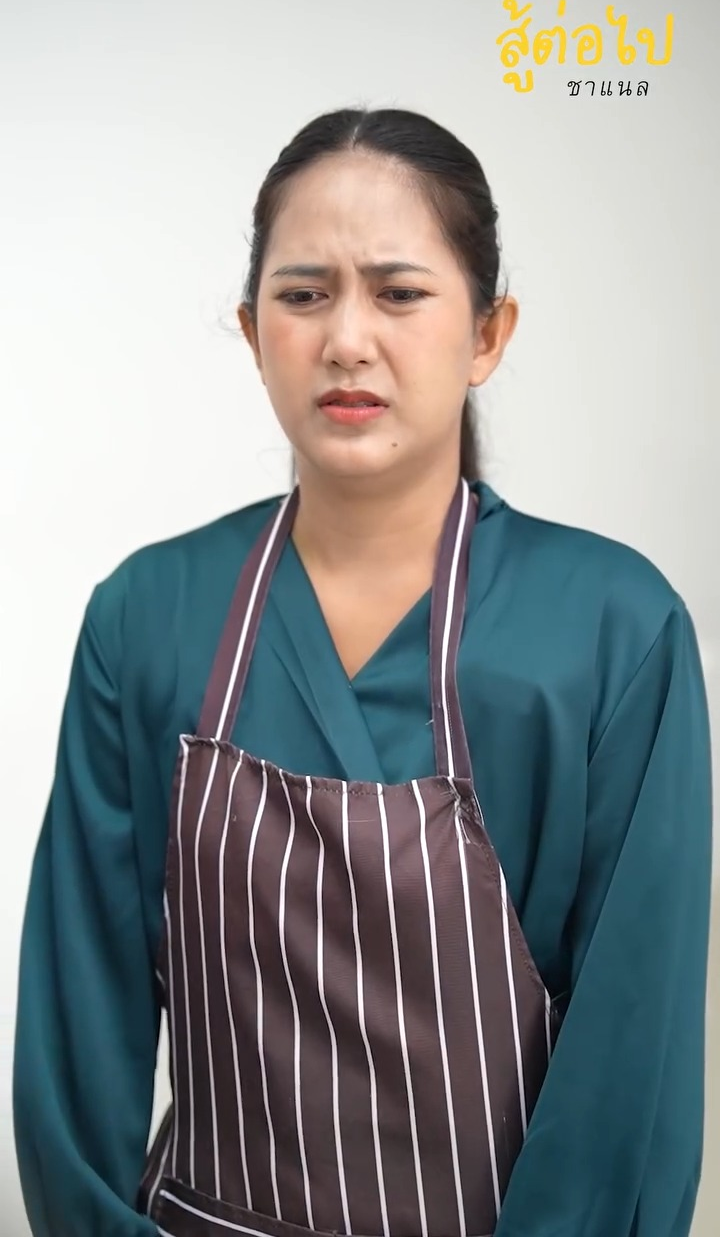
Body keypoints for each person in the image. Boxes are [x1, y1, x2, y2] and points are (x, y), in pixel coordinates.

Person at [13, 105, 713, 1237]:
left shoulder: (612, 633)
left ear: (487, 334)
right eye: (304, 295)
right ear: (253, 333)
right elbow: (77, 1022)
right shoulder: (147, 617)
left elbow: (630, 1062)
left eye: (398, 292)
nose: (346, 338)